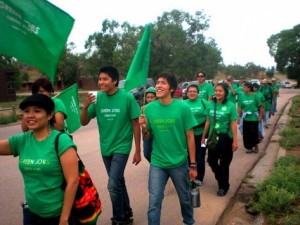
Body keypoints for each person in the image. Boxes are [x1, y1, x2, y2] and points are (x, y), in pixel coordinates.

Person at [0, 94, 79, 225]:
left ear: (49, 115)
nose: (30, 115)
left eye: (37, 111)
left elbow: (73, 181)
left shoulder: (61, 140)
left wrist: (64, 219)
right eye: (26, 111)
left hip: (57, 216)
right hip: (31, 213)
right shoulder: (22, 140)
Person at [80, 66, 141, 225]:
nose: (101, 82)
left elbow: (135, 124)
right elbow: (84, 122)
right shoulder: (98, 98)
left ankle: (119, 219)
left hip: (122, 147)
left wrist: (138, 151)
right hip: (105, 147)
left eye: (105, 79)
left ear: (114, 81)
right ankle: (128, 214)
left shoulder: (127, 98)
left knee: (113, 185)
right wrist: (85, 106)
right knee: (119, 182)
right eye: (99, 79)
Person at [139, 71, 197, 225]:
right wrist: (144, 128)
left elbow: (190, 137)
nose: (158, 85)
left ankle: (189, 221)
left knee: (185, 199)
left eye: (163, 83)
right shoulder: (149, 109)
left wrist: (193, 164)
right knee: (154, 202)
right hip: (157, 163)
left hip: (179, 162)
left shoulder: (183, 108)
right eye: (157, 82)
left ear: (171, 88)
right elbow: (147, 137)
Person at [201, 83, 238, 197]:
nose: (217, 93)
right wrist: (203, 136)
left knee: (225, 162)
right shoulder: (210, 104)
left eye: (220, 91)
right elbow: (207, 121)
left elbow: (233, 123)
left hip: (225, 136)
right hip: (213, 136)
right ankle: (223, 180)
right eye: (216, 90)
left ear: (225, 93)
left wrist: (235, 141)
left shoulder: (231, 106)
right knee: (211, 160)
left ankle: (223, 187)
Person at [184, 84, 208, 186]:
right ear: (187, 93)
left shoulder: (204, 102)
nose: (192, 93)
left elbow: (209, 119)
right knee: (189, 156)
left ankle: (199, 177)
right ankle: (191, 175)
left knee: (200, 156)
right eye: (190, 91)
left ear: (198, 93)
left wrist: (205, 135)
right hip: (188, 135)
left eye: (194, 91)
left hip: (203, 134)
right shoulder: (183, 104)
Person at [237, 82, 263, 153]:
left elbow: (260, 107)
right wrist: (239, 118)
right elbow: (239, 108)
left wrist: (260, 116)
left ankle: (255, 145)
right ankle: (249, 148)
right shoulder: (241, 97)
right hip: (245, 118)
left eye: (244, 87)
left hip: (254, 118)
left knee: (254, 133)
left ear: (249, 88)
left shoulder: (255, 96)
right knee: (246, 134)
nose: (243, 88)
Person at [141, 87, 157, 162]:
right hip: (146, 134)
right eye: (148, 97)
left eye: (152, 97)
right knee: (147, 153)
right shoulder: (143, 108)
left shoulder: (159, 107)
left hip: (157, 134)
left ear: (156, 97)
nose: (149, 99)